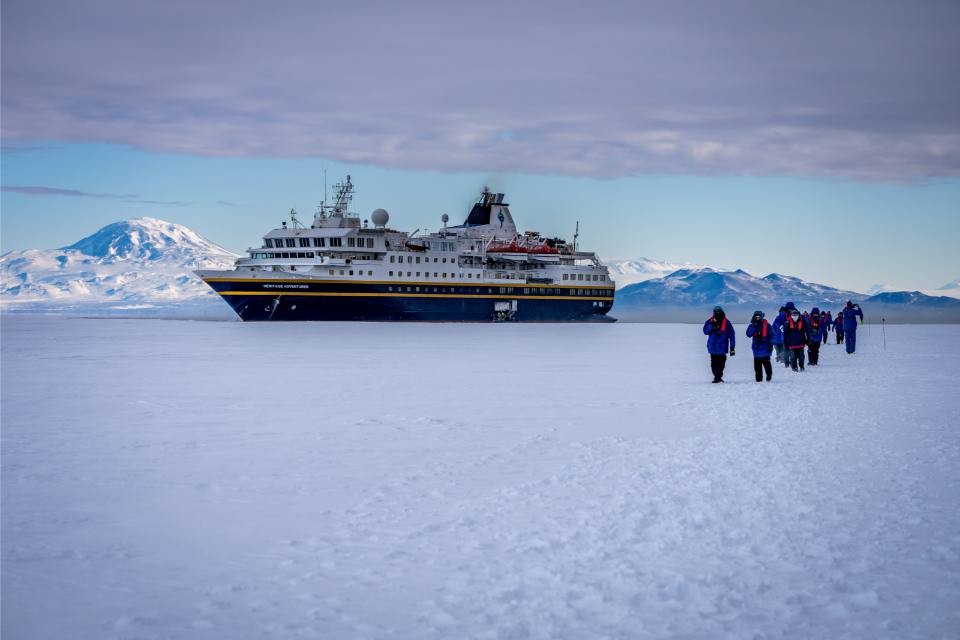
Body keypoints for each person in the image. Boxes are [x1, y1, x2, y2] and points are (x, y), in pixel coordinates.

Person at [703, 305, 735, 383]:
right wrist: (712, 325)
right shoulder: (710, 321)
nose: (717, 314)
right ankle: (717, 377)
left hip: (722, 348)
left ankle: (718, 377)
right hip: (713, 347)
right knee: (714, 363)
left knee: (721, 363)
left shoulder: (727, 322)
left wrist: (732, 347)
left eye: (719, 312)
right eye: (716, 312)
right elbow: (705, 331)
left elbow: (732, 334)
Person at [746, 310, 773, 382]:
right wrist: (753, 326)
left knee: (767, 364)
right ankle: (758, 380)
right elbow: (748, 334)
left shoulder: (767, 325)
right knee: (757, 366)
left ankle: (769, 376)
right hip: (756, 349)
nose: (757, 318)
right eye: (756, 317)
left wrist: (770, 345)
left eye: (758, 317)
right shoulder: (752, 325)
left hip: (765, 348)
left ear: (761, 317)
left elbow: (772, 335)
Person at [783, 305, 809, 371]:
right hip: (792, 343)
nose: (795, 316)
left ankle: (802, 366)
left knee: (801, 357)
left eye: (796, 315)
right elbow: (786, 334)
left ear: (798, 315)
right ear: (791, 315)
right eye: (793, 315)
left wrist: (808, 340)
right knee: (793, 357)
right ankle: (794, 367)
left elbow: (807, 331)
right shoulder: (787, 323)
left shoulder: (803, 322)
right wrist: (786, 343)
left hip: (801, 342)